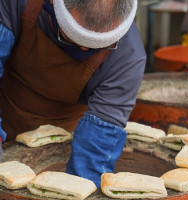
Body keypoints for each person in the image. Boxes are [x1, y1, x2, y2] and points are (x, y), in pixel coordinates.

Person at [0, 0, 146, 187]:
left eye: (98, 46)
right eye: (68, 37)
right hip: (8, 111)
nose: (84, 49)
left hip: (70, 133)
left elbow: (93, 157)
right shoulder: (16, 3)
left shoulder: (128, 57)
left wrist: (81, 186)